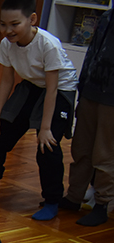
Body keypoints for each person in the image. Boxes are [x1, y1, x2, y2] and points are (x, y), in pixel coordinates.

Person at [0, 0, 77, 221]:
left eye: (14, 24)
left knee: (47, 146)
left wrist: (45, 128)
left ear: (32, 19)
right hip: (31, 85)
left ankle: (52, 201)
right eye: (3, 24)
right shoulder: (6, 44)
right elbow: (6, 81)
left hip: (59, 90)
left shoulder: (48, 45)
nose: (8, 30)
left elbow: (52, 89)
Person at [62, 8, 113, 227]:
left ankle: (102, 205)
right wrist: (81, 88)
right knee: (81, 147)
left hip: (111, 100)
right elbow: (92, 52)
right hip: (91, 91)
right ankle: (74, 196)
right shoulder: (107, 16)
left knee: (105, 153)